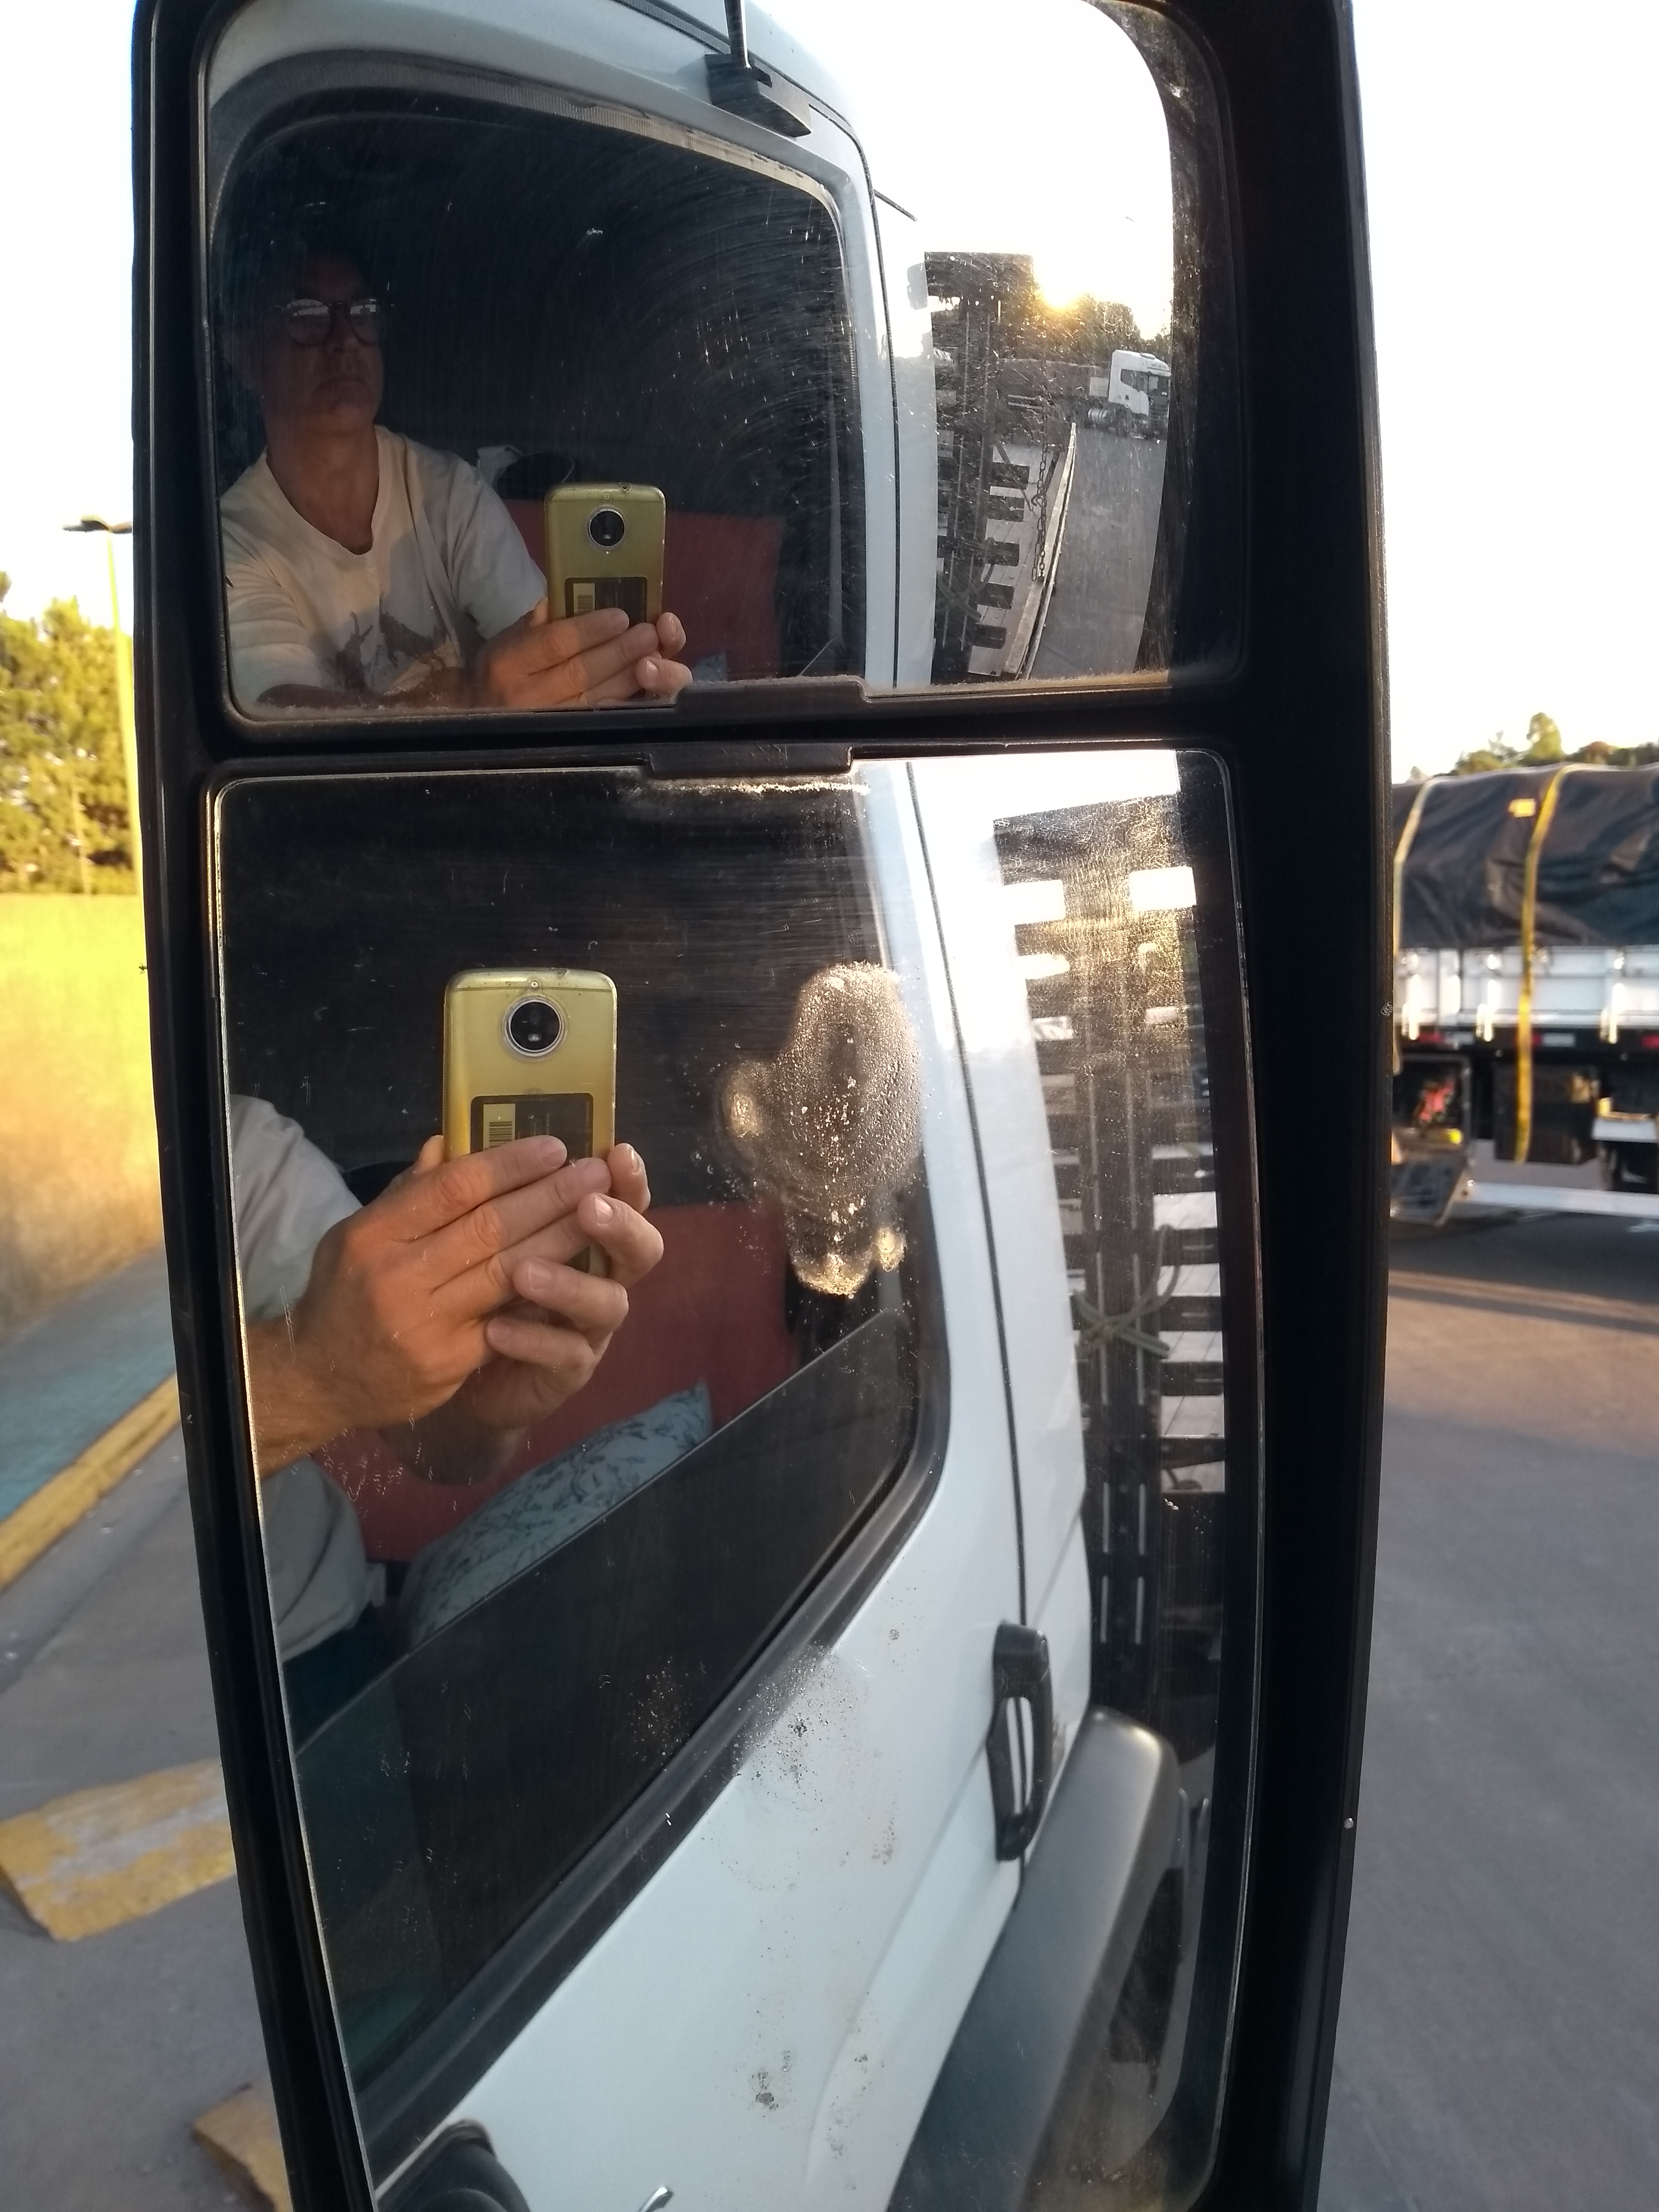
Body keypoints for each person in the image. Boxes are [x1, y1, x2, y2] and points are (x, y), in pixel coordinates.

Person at [231, 1095, 663, 1733]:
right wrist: (311, 1376)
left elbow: (440, 1445)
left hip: (301, 1651)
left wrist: (480, 1408)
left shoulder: (239, 1155)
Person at [220, 247, 694, 712]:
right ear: (243, 355)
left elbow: (549, 653)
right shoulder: (234, 542)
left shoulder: (447, 493)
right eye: (307, 315)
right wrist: (472, 697)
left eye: (363, 312)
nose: (345, 338)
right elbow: (277, 712)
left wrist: (626, 679)